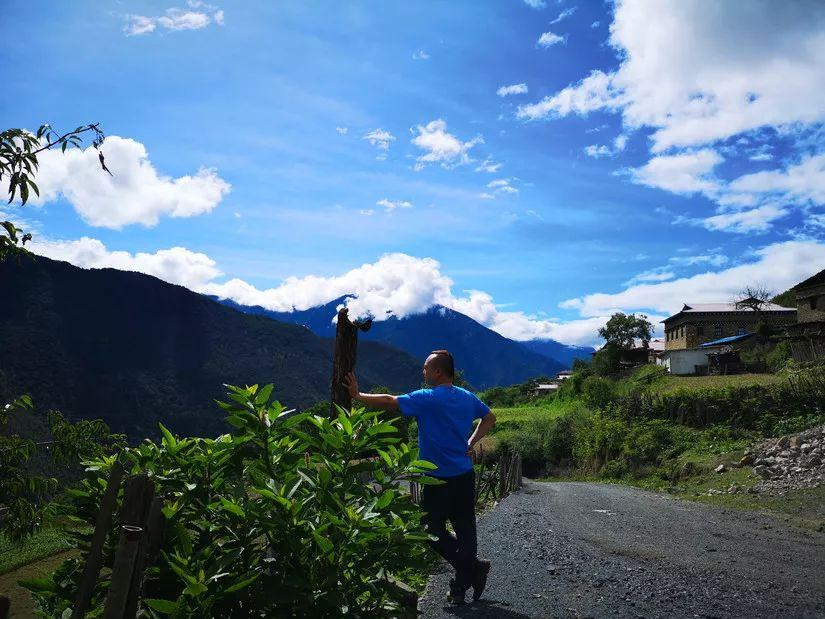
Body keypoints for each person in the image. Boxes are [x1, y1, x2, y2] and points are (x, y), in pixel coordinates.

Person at [343, 349, 497, 605]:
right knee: (465, 529)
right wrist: (472, 441)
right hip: (465, 475)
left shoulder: (427, 398)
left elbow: (390, 401)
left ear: (438, 371)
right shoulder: (467, 397)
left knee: (430, 529)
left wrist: (357, 395)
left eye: (426, 367)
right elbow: (490, 417)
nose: (423, 371)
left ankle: (470, 570)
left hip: (438, 479)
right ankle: (461, 585)